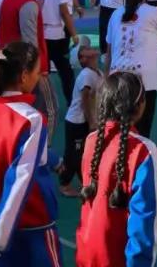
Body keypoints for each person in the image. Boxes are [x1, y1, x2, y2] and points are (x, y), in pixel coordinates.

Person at [0, 42, 62, 266]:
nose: (39, 77)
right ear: (24, 76)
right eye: (37, 72)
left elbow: (4, 151)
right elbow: (20, 178)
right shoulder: (31, 119)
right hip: (31, 225)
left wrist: (54, 160)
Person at [75, 71, 157, 266]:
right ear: (140, 104)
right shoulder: (144, 150)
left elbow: (104, 181)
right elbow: (145, 223)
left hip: (87, 253)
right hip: (119, 257)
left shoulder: (91, 140)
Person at [105, 0, 157, 137]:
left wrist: (106, 79)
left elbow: (109, 52)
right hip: (144, 82)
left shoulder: (115, 14)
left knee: (116, 131)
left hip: (116, 79)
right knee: (141, 133)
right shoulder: (154, 12)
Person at [0, 0, 58, 141]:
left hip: (10, 63)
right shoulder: (27, 3)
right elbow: (30, 41)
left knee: (17, 109)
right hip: (29, 67)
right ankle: (43, 149)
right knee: (49, 108)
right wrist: (37, 68)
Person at [59, 37, 101, 198]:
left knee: (81, 151)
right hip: (77, 121)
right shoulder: (87, 75)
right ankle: (65, 184)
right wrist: (92, 122)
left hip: (82, 120)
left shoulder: (97, 72)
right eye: (85, 50)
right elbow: (85, 100)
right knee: (73, 154)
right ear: (83, 59)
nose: (90, 48)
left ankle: (84, 180)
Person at [37, 0, 78, 106]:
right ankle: (71, 102)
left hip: (40, 34)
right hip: (57, 34)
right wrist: (74, 34)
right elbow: (65, 12)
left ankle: (42, 104)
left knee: (42, 71)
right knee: (65, 71)